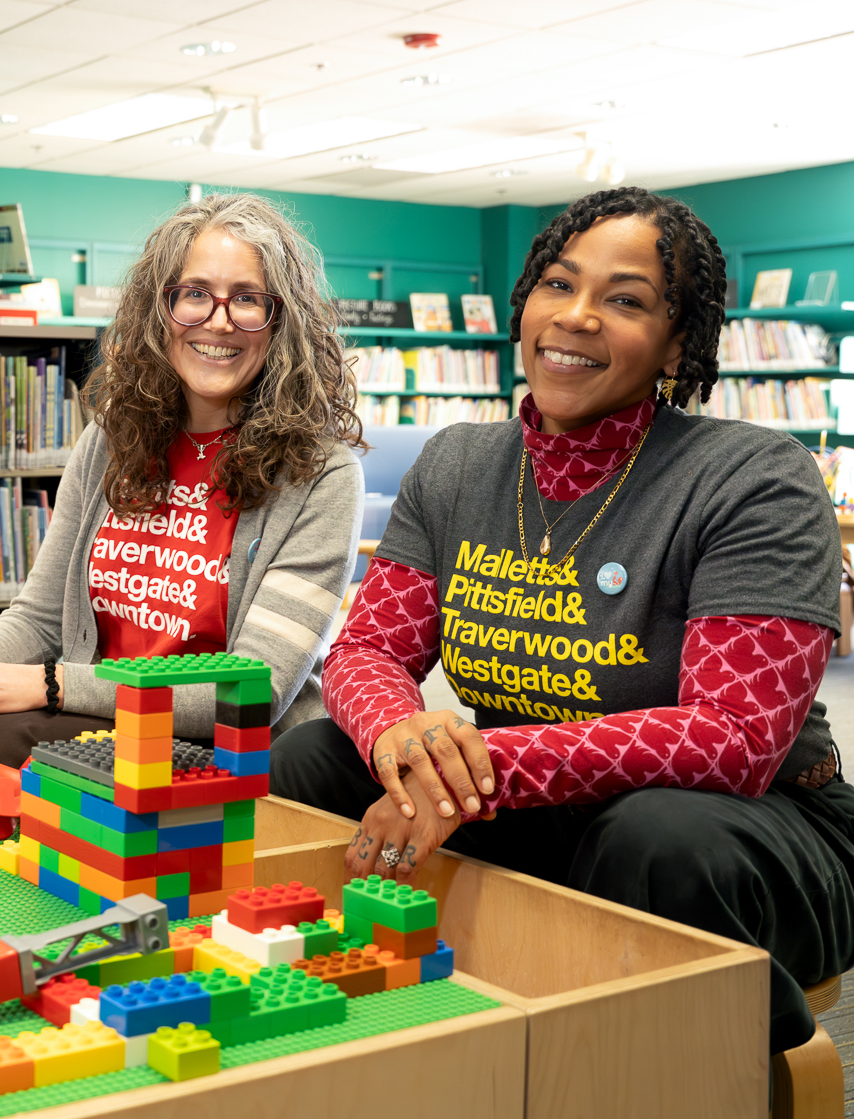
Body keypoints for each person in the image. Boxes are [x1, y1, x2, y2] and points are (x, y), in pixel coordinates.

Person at [270, 185, 854, 1054]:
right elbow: (366, 651)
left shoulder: (755, 477)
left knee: (652, 837)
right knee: (316, 757)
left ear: (678, 340)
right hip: (535, 806)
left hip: (740, 829)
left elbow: (734, 740)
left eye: (625, 299)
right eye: (557, 283)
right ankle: (355, 1033)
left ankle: (738, 1074)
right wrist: (404, 743)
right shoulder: (460, 463)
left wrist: (471, 774)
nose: (575, 316)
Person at [0, 191, 365, 764]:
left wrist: (53, 685)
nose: (219, 321)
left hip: (222, 752)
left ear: (281, 322)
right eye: (194, 295)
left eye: (247, 299)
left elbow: (255, 691)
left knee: (6, 743)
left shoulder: (323, 473)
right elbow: (39, 617)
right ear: (156, 310)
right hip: (92, 729)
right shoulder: (111, 441)